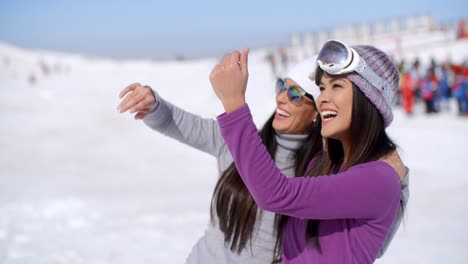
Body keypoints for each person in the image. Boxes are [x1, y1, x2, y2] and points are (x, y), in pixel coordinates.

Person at [209, 40, 409, 263]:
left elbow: (276, 194)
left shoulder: (377, 180)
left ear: (368, 99)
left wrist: (234, 104)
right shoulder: (322, 163)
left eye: (337, 86)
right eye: (322, 88)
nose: (323, 97)